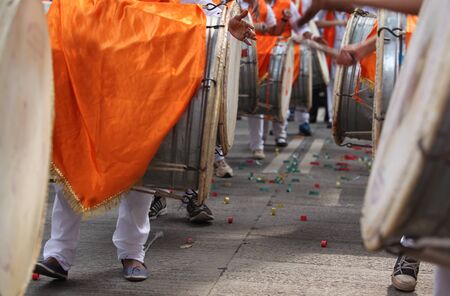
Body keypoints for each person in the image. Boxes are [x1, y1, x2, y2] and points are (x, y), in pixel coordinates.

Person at [34, 0, 255, 282]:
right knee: (78, 149)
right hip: (93, 49)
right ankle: (59, 255)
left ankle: (132, 251)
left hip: (146, 53)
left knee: (140, 155)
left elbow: (195, 4)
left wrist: (223, 23)